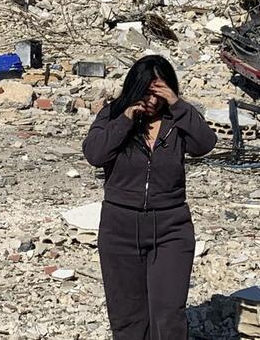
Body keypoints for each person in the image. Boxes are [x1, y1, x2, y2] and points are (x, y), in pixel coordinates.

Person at [82, 55, 218, 340]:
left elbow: (205, 144)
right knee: (128, 316)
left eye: (158, 92)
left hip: (171, 226)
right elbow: (94, 154)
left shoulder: (177, 119)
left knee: (169, 313)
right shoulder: (112, 115)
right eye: (146, 91)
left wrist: (178, 104)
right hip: (119, 227)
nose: (152, 100)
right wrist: (126, 119)